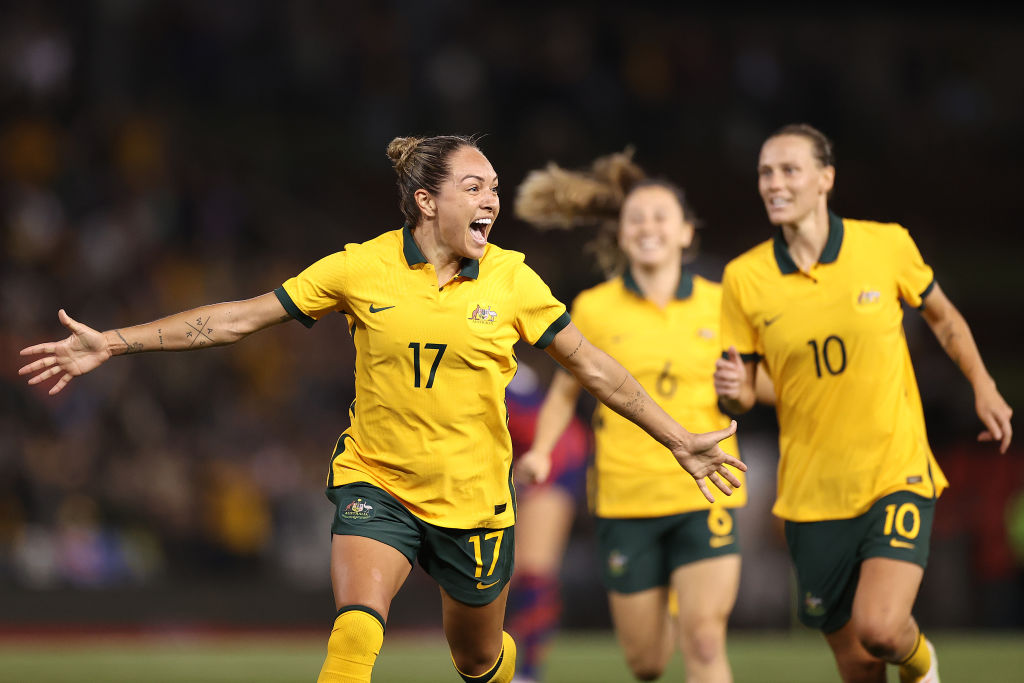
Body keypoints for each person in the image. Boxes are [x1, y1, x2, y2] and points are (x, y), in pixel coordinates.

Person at [19, 134, 747, 683]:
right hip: (379, 484)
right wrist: (113, 342)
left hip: (474, 504)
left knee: (479, 657)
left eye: (494, 186)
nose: (492, 198)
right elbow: (239, 319)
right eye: (475, 185)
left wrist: (679, 437)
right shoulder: (356, 267)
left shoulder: (514, 280)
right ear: (428, 201)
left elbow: (594, 368)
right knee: (354, 636)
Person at [714, 123, 1013, 683]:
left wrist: (983, 384)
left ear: (825, 178)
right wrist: (732, 393)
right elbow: (746, 387)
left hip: (893, 470)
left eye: (788, 170)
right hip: (810, 493)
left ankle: (923, 667)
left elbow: (943, 319)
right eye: (765, 172)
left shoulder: (885, 245)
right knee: (858, 664)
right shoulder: (744, 278)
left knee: (881, 628)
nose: (773, 183)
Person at [512, 150, 748, 682]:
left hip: (706, 490)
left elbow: (769, 384)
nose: (648, 228)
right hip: (626, 498)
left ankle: (688, 610)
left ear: (687, 232)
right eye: (636, 218)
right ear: (619, 234)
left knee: (706, 642)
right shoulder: (593, 307)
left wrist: (748, 390)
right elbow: (563, 396)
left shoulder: (724, 302)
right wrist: (543, 452)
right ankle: (669, 603)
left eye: (662, 216)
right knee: (645, 664)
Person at [503, 359, 591, 683]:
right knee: (504, 567)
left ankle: (527, 672)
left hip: (554, 451)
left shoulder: (482, 357)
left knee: (534, 567)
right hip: (522, 453)